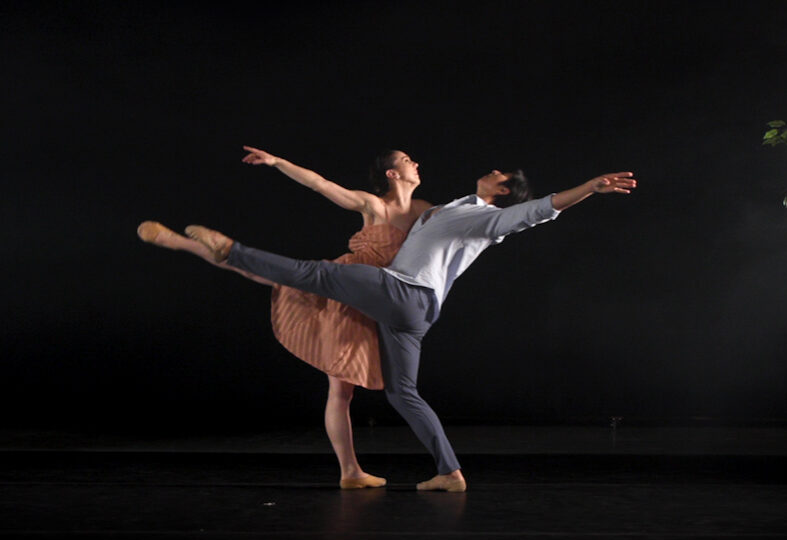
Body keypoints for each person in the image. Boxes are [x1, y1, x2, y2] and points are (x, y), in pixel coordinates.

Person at [174, 167, 637, 492]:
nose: (492, 170)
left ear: (502, 190)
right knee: (403, 393)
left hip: (403, 293)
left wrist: (589, 188)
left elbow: (538, 210)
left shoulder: (488, 218)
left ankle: (231, 251)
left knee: (318, 275)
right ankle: (450, 473)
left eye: (500, 174)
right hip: (416, 313)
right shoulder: (449, 208)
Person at [137, 146, 433, 490]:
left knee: (342, 390)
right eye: (407, 160)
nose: (416, 163)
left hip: (379, 298)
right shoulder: (374, 205)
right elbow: (321, 184)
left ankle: (351, 473)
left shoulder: (424, 211)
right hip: (345, 284)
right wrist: (278, 162)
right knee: (271, 281)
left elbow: (460, 226)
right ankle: (182, 243)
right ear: (392, 174)